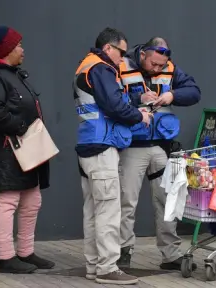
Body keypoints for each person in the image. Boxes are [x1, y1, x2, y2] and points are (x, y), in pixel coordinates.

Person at [74, 27, 152, 285]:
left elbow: (109, 99)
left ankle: (94, 265)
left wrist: (137, 96)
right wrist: (140, 114)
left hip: (88, 144)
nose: (123, 57)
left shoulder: (87, 66)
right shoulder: (102, 68)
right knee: (108, 209)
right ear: (108, 48)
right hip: (102, 147)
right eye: (121, 51)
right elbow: (114, 105)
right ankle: (108, 267)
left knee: (93, 211)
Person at [117, 37, 201, 270]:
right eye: (154, 64)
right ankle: (123, 253)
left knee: (167, 200)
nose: (157, 69)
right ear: (143, 54)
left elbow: (194, 92)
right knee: (127, 202)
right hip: (132, 146)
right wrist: (137, 99)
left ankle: (170, 254)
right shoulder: (121, 66)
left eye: (161, 66)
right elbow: (110, 98)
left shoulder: (170, 67)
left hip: (161, 146)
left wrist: (173, 95)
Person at [0, 26, 54, 274]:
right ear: (7, 49)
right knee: (8, 200)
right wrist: (23, 127)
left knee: (32, 199)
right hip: (8, 148)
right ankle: (6, 257)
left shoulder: (13, 74)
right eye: (19, 45)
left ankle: (25, 252)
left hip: (26, 146)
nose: (23, 49)